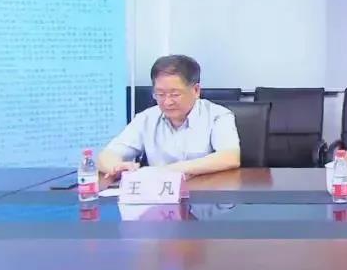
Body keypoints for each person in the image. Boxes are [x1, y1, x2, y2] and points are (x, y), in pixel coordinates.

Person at [98, 55, 241, 179]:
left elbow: (230, 157)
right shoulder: (146, 118)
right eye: (160, 94)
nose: (167, 102)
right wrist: (116, 167)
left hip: (205, 194)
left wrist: (165, 171)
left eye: (175, 94)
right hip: (157, 196)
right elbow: (106, 156)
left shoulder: (218, 115)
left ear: (196, 90)